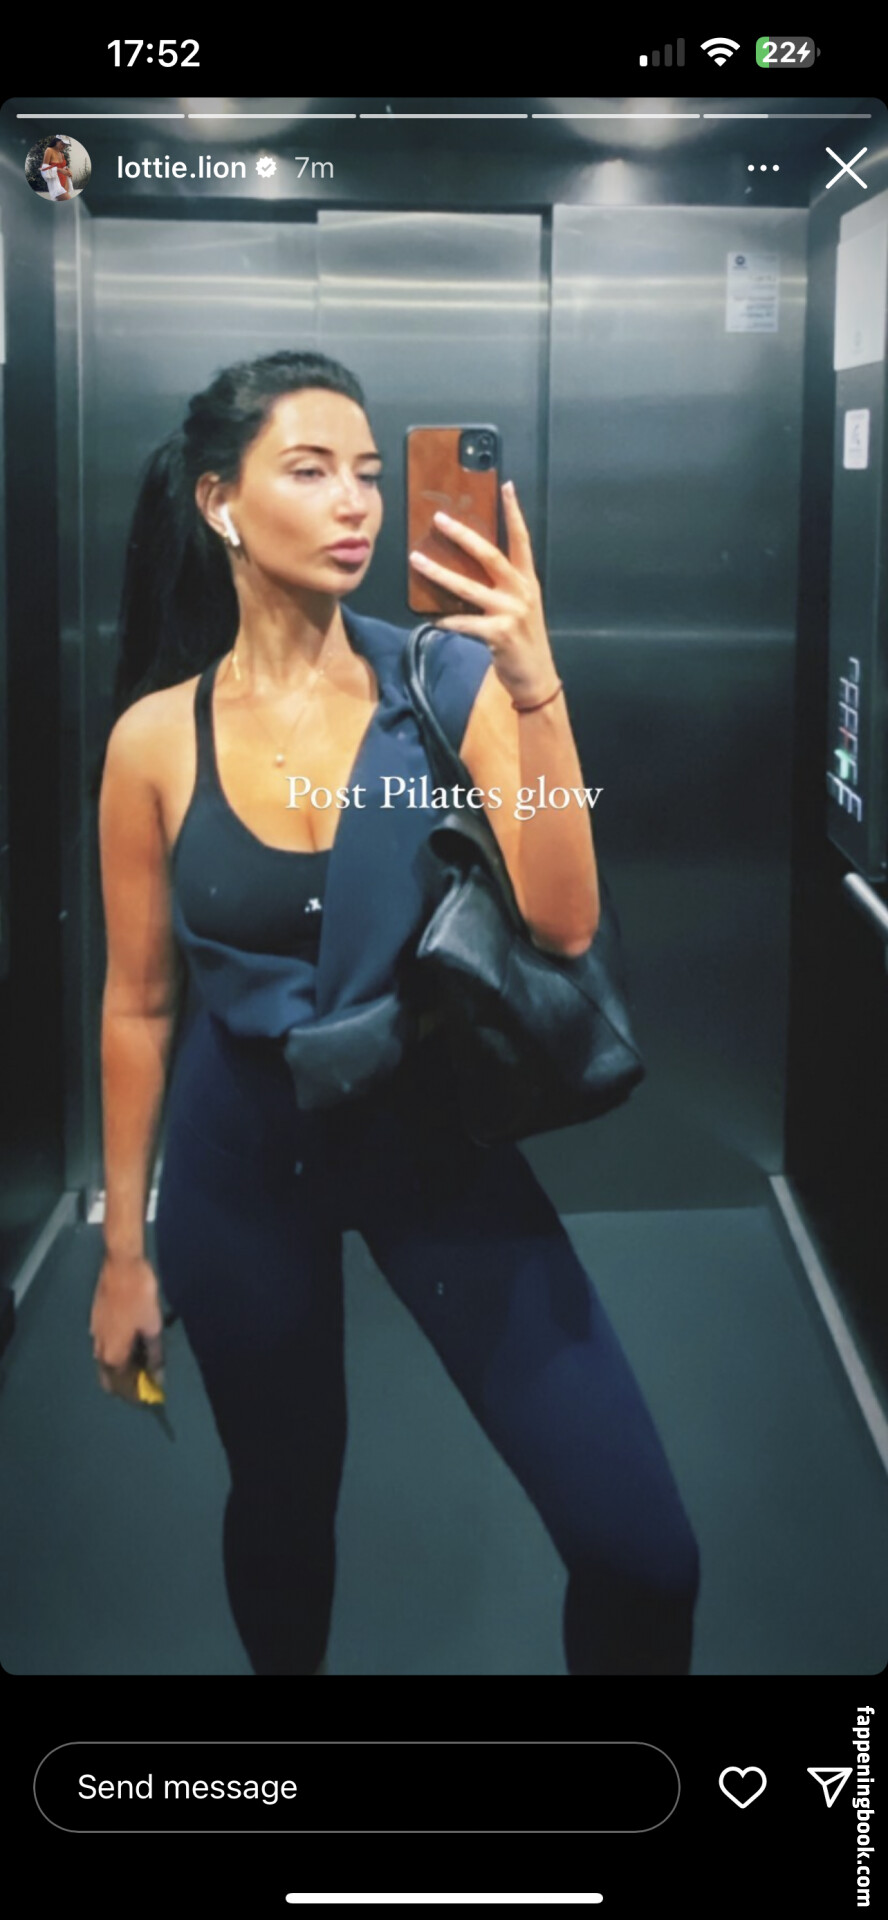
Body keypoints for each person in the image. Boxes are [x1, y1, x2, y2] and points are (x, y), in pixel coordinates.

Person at [89, 349, 700, 1676]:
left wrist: (533, 678)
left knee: (646, 1554)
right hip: (239, 1169)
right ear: (220, 502)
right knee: (282, 1514)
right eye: (310, 470)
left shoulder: (445, 683)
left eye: (369, 472)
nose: (356, 501)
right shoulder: (155, 741)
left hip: (431, 1143)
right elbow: (137, 1005)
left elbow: (564, 921)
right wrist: (125, 1250)